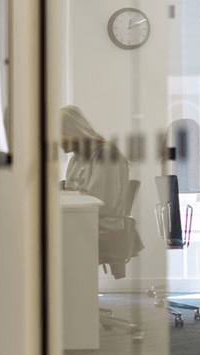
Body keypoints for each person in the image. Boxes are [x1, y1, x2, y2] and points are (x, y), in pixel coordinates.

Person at [60, 105, 143, 279]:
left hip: (105, 230)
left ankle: (74, 300)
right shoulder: (77, 158)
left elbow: (101, 203)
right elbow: (72, 192)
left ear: (71, 132)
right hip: (85, 224)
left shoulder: (104, 155)